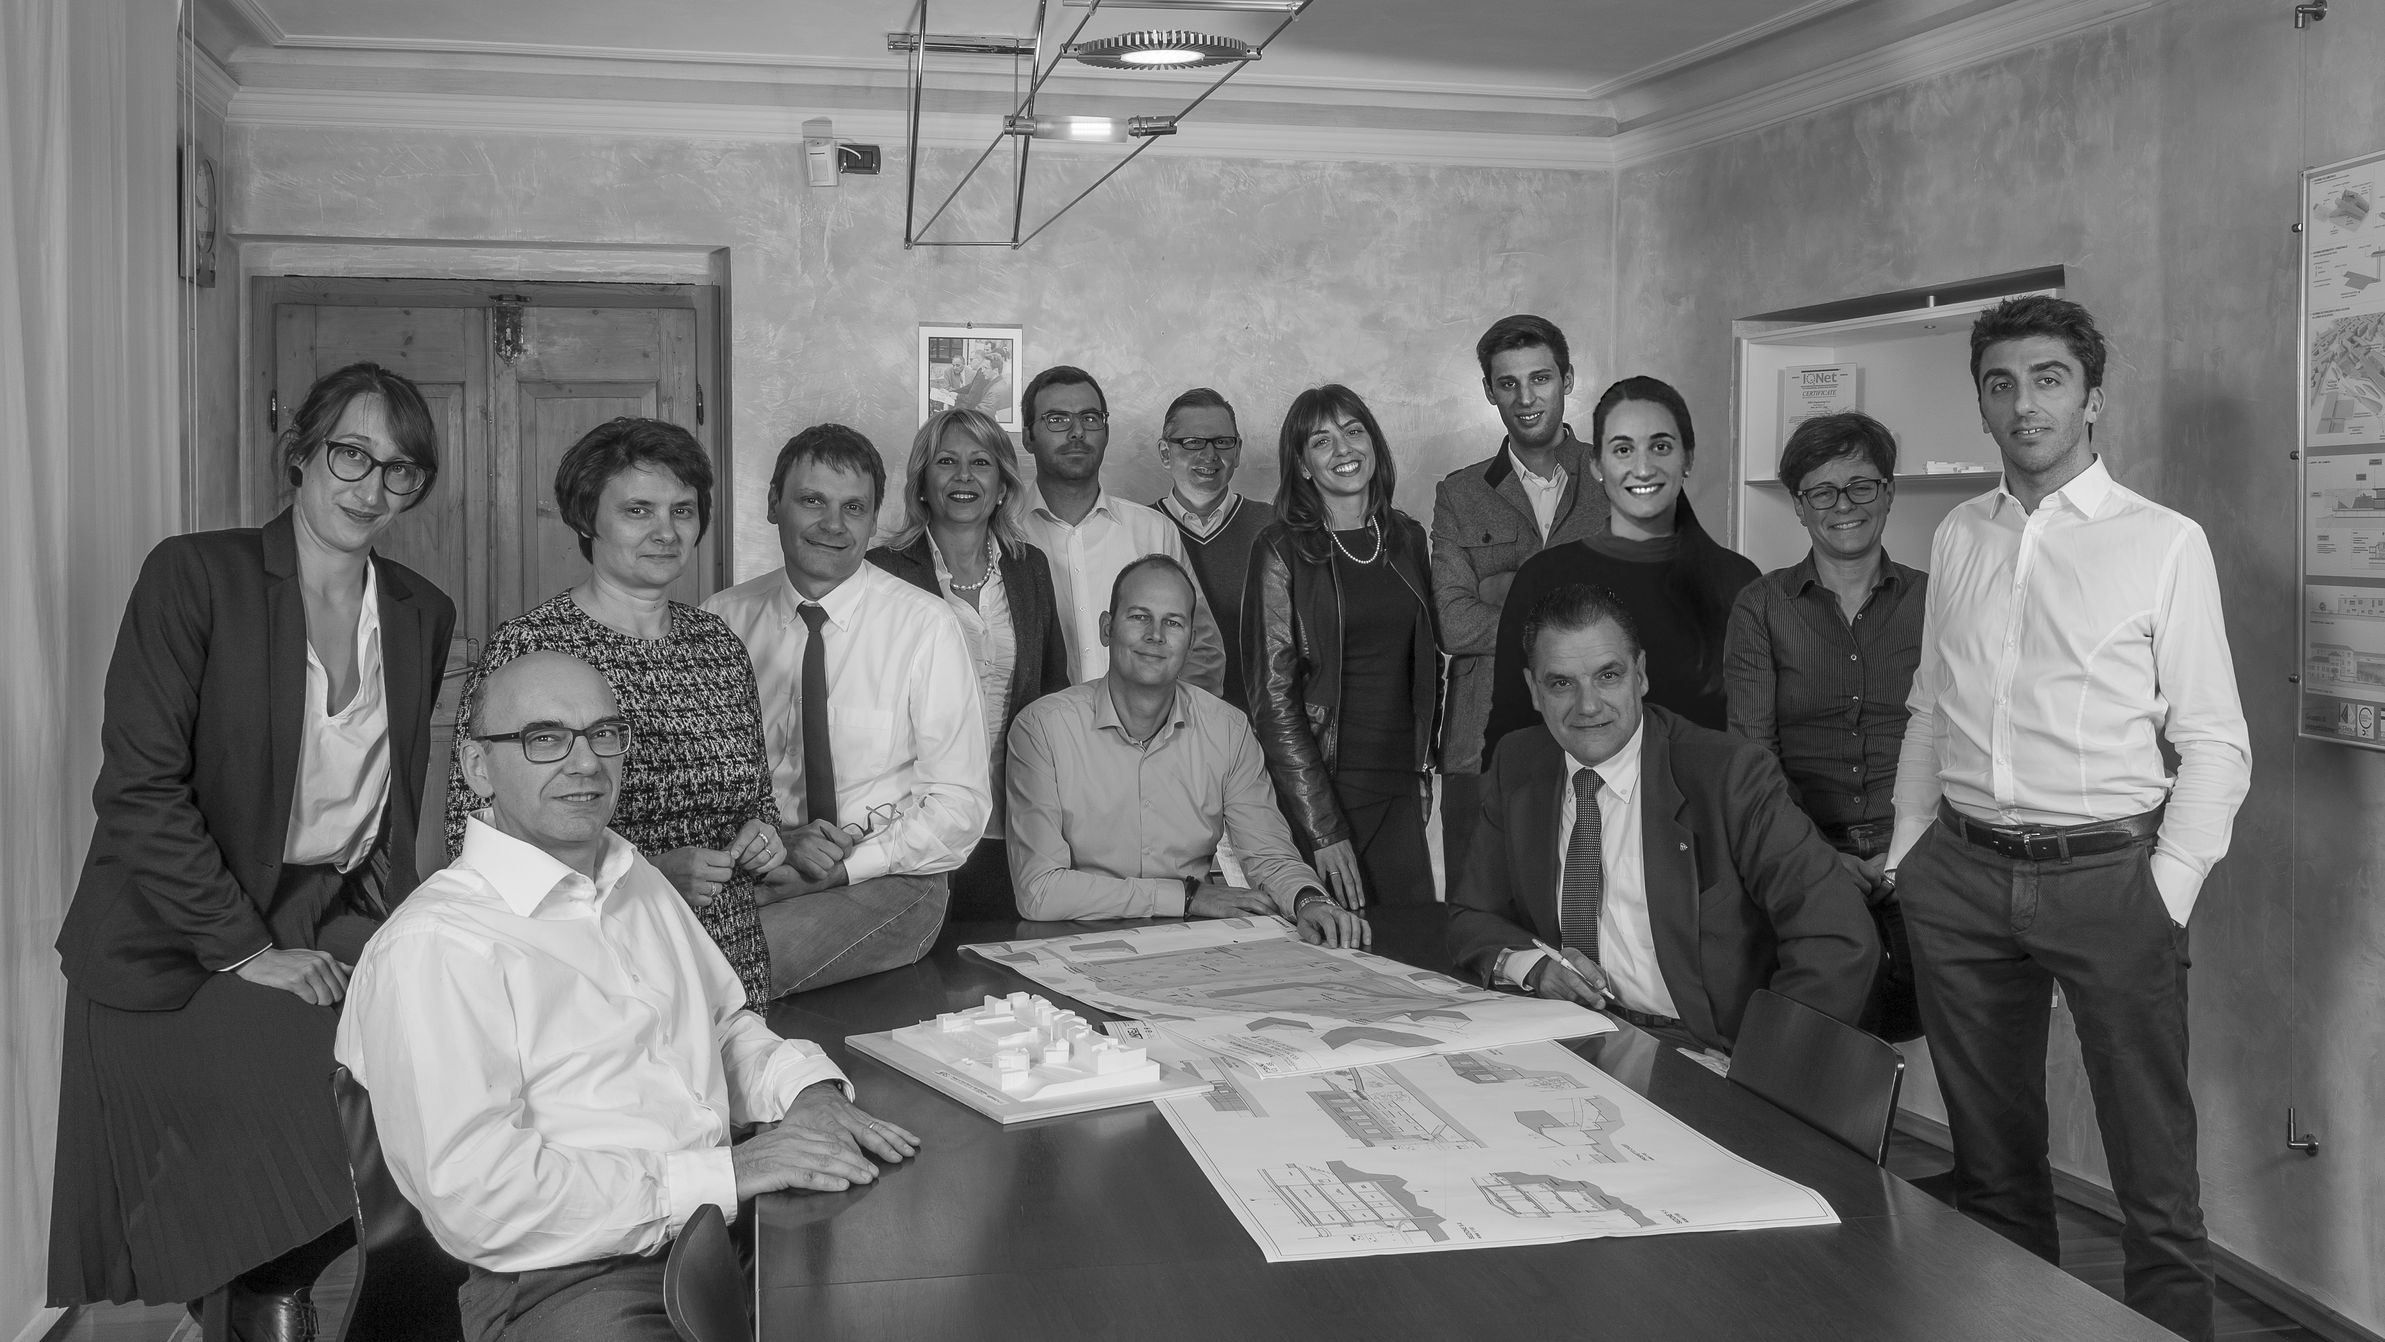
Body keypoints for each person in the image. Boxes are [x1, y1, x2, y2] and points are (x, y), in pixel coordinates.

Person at [337, 651, 918, 1342]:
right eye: (545, 738)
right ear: (477, 767)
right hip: (570, 1277)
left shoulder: (630, 872)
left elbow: (721, 1028)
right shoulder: (434, 945)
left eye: (603, 734)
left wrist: (806, 1095)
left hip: (722, 1226)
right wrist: (728, 1171)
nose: (585, 762)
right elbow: (481, 1199)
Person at [49, 362, 457, 1341]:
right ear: (300, 456)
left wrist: (406, 941)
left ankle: (327, 1310)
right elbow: (138, 791)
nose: (372, 486)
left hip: (330, 915)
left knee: (450, 1069)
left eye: (400, 469)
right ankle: (254, 1304)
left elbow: (384, 809)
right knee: (327, 1136)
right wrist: (247, 949)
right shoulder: (195, 576)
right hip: (179, 941)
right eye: (351, 454)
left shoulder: (421, 610)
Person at [1885, 297, 2249, 1342]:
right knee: (1993, 1172)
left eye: (2048, 379)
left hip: (2108, 881)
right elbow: (1930, 705)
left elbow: (2216, 742)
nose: (2023, 403)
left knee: (2154, 1181)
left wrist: (2163, 895)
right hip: (1961, 877)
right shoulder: (1960, 532)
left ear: (2091, 397)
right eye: (1999, 383)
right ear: (1981, 405)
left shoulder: (2162, 542)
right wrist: (1911, 850)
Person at [1446, 583, 1877, 1053]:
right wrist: (1536, 968)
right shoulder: (1519, 763)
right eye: (1561, 683)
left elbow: (1838, 937)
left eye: (1608, 676)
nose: (1588, 706)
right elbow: (1473, 915)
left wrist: (1762, 1068)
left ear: (1641, 675)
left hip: (1701, 1050)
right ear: (1534, 690)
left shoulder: (1729, 775)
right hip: (1570, 1034)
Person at [446, 417, 784, 1008]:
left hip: (727, 963)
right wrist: (643, 876)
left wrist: (762, 838)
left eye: (682, 511)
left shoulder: (718, 646)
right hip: (593, 973)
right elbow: (471, 836)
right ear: (587, 519)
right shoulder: (532, 649)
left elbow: (756, 802)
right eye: (638, 511)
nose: (666, 532)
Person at [705, 424, 989, 995]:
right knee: (646, 942)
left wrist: (841, 869)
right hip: (758, 866)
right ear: (773, 504)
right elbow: (704, 786)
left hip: (892, 876)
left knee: (726, 963)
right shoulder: (721, 621)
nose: (833, 525)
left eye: (853, 508)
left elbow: (960, 807)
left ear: (873, 518)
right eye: (812, 501)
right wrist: (776, 848)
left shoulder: (925, 626)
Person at [1006, 555, 1369, 947]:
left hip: (1190, 945)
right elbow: (1039, 891)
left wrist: (1309, 900)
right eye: (1139, 617)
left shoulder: (1227, 730)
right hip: (1072, 943)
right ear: (1107, 628)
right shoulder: (1042, 728)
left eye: (1173, 622)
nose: (1156, 635)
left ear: (1192, 640)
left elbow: (1269, 856)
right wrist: (1187, 896)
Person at [1723, 410, 1924, 1041]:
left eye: (1860, 486)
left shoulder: (1939, 600)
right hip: (1803, 850)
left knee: (1954, 1012)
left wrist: (1905, 854)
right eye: (1822, 492)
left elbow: (1964, 744)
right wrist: (1819, 856)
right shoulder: (1762, 606)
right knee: (1822, 1029)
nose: (1844, 505)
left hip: (1921, 850)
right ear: (1799, 506)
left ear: (1887, 493)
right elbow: (1752, 756)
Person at [868, 407, 1071, 920]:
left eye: (980, 462)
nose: (964, 476)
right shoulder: (881, 572)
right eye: (946, 462)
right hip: (912, 820)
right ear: (922, 483)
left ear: (1002, 484)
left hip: (1015, 816)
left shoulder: (1030, 568)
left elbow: (1052, 689)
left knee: (1004, 948)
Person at [1485, 375, 1757, 756]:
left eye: (1660, 447)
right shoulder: (1543, 578)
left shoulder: (1739, 581)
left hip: (1709, 793)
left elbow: (1753, 738)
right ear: (1597, 464)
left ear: (1688, 459)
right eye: (1623, 449)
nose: (1643, 468)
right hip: (1578, 795)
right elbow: (1509, 732)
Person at [1246, 385, 1443, 907]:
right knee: (1339, 947)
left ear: (1373, 443)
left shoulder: (1406, 537)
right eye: (1321, 440)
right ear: (1302, 465)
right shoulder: (1280, 549)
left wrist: (1422, 767)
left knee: (1414, 942)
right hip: (1328, 790)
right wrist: (1322, 827)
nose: (1343, 449)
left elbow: (1425, 665)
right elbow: (1273, 702)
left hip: (1401, 788)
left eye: (1354, 431)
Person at [1432, 315, 1609, 884]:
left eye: (1540, 378)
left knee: (1592, 910)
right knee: (1477, 913)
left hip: (1599, 736)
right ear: (1489, 391)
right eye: (1508, 383)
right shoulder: (1459, 493)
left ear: (1567, 379)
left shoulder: (1614, 479)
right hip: (1480, 744)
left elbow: (1641, 609)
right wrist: (1575, 616)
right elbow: (1453, 623)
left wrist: (1501, 590)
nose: (1526, 399)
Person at [1016, 364, 1227, 694]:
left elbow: (1201, 652)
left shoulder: (1153, 532)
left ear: (1106, 431)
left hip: (1147, 726)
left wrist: (1169, 722)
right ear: (1028, 436)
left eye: (1090, 418)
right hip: (1033, 725)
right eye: (1057, 419)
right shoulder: (1003, 534)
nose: (1077, 432)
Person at [1150, 386, 1275, 711]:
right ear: (1165, 453)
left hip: (1262, 722)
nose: (1209, 455)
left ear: (1238, 450)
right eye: (1192, 442)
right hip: (1167, 722)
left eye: (1222, 442)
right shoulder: (1140, 530)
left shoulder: (1275, 528)